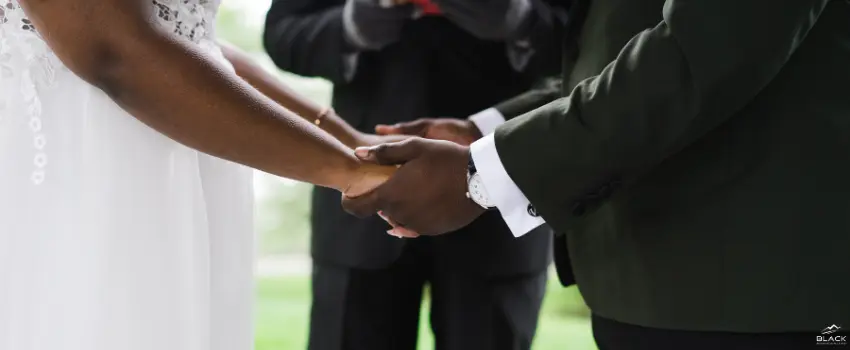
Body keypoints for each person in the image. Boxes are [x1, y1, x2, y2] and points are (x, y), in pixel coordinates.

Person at [343, 0, 850, 349]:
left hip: (758, 299)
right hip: (653, 286)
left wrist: (485, 174)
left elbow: (702, 50)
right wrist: (482, 132)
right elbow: (620, 54)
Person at [0, 0, 403, 349]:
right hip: (88, 168)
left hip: (179, 153)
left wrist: (350, 143)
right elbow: (112, 47)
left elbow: (194, 40)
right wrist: (351, 171)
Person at [262, 0, 568, 348]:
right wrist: (353, 24)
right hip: (363, 201)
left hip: (498, 198)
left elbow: (597, 47)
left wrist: (523, 22)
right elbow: (282, 34)